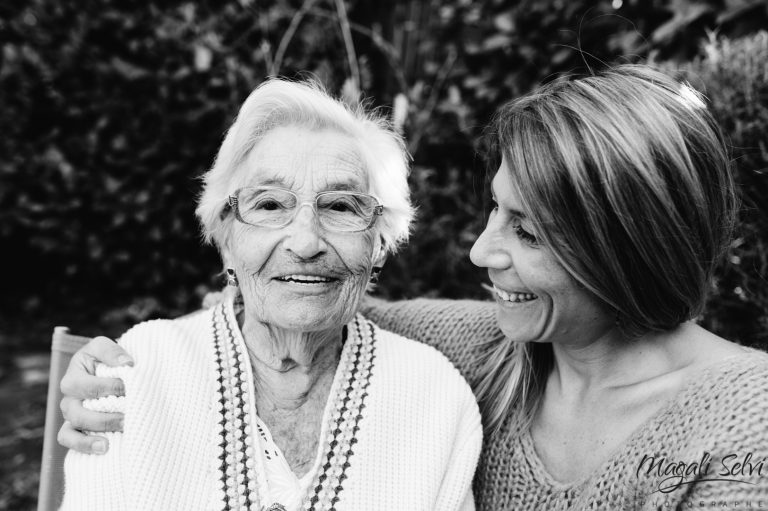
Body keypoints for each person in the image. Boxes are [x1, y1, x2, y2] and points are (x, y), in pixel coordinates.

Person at [59, 65, 768, 510]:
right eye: (266, 204)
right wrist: (126, 364)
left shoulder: (746, 423)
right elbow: (303, 297)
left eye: (527, 231)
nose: (480, 250)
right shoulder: (484, 344)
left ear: (627, 247)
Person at [58, 78, 482, 511]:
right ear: (226, 238)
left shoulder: (436, 399)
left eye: (340, 206)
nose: (305, 242)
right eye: (270, 205)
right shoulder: (136, 371)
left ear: (379, 243)